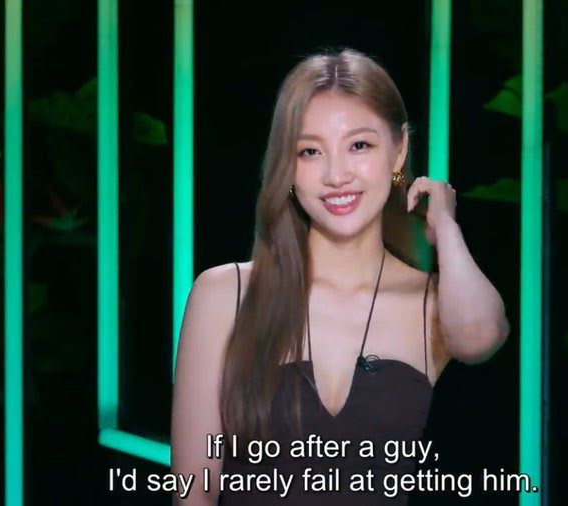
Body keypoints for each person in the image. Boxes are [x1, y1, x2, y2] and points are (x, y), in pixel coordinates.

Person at [170, 48, 509, 505]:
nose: (336, 175)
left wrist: (445, 227)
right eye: (310, 151)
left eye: (359, 146)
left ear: (399, 151)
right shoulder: (224, 294)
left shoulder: (431, 306)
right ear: (288, 166)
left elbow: (480, 338)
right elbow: (193, 494)